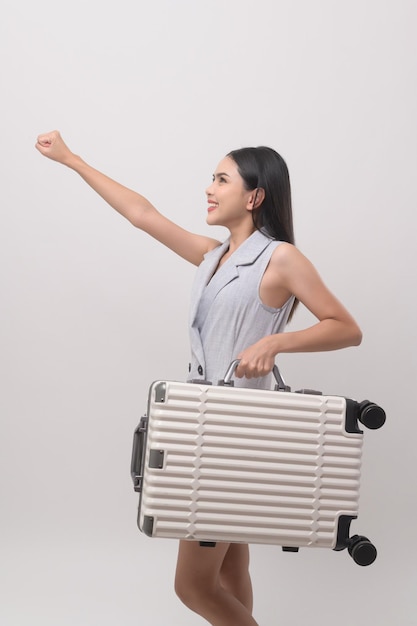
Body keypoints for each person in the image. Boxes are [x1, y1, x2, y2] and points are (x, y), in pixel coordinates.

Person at [36, 131, 362, 626]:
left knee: (191, 587)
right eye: (211, 178)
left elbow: (346, 328)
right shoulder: (214, 258)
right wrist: (72, 160)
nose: (209, 188)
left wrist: (275, 342)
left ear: (254, 196)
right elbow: (142, 215)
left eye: (221, 179)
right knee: (230, 576)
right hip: (206, 427)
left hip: (231, 437)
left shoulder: (279, 259)